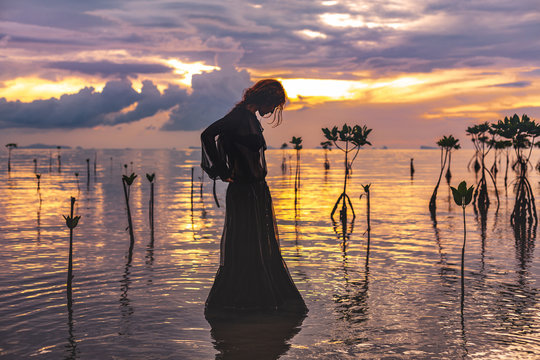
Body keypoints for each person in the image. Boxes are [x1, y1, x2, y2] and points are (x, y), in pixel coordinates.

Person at [200, 79, 308, 318]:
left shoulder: (248, 118)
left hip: (256, 191)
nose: (272, 112)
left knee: (258, 245)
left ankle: (254, 299)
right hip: (244, 192)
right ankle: (246, 300)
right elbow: (207, 135)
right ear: (265, 99)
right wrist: (222, 170)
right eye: (274, 106)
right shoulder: (238, 117)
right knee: (246, 244)